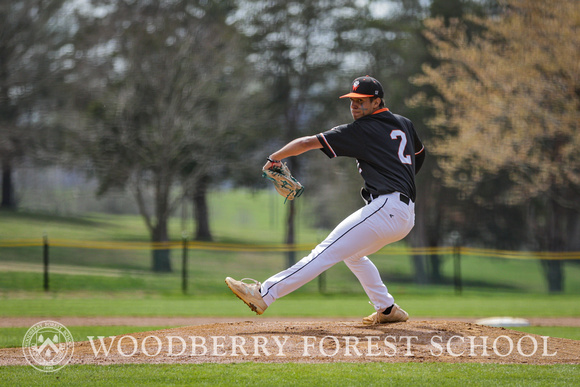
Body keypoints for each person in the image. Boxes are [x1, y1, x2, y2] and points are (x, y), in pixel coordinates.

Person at [226, 76, 426, 325]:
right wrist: (401, 177)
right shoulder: (404, 123)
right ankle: (387, 309)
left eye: (361, 101)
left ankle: (263, 294)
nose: (354, 106)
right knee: (353, 256)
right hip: (404, 213)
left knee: (324, 251)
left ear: (377, 101)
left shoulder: (364, 129)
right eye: (351, 100)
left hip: (387, 208)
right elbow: (419, 154)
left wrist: (274, 158)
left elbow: (307, 142)